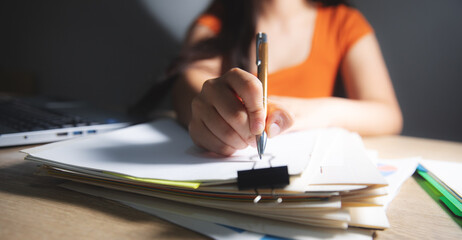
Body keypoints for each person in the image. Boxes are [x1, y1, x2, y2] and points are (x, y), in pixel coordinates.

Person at [170, 0, 402, 156]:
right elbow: (188, 87)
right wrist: (206, 107)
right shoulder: (217, 21)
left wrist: (295, 111)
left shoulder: (343, 22)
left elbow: (388, 114)